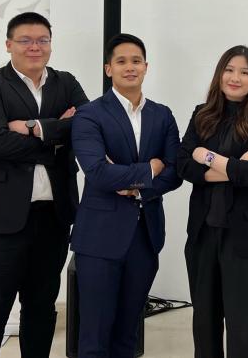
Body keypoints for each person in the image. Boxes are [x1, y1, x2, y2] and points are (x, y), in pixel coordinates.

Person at [0, 12, 88, 357]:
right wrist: (56, 137)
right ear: (8, 44)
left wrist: (32, 127)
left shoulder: (66, 83)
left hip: (53, 218)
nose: (35, 47)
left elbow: (86, 126)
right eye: (25, 40)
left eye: (42, 40)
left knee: (41, 310)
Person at [70, 33, 182, 357]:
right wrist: (150, 169)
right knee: (94, 337)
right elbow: (97, 172)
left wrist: (133, 183)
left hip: (144, 236)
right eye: (121, 61)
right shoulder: (90, 114)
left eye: (136, 61)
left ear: (146, 67)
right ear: (109, 69)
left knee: (128, 334)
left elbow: (175, 171)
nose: (129, 67)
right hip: (99, 239)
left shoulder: (162, 115)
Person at [177, 45, 248, 358]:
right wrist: (236, 166)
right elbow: (183, 165)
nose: (235, 77)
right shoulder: (202, 115)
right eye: (229, 70)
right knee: (205, 322)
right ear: (220, 74)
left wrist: (207, 156)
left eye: (244, 72)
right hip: (204, 233)